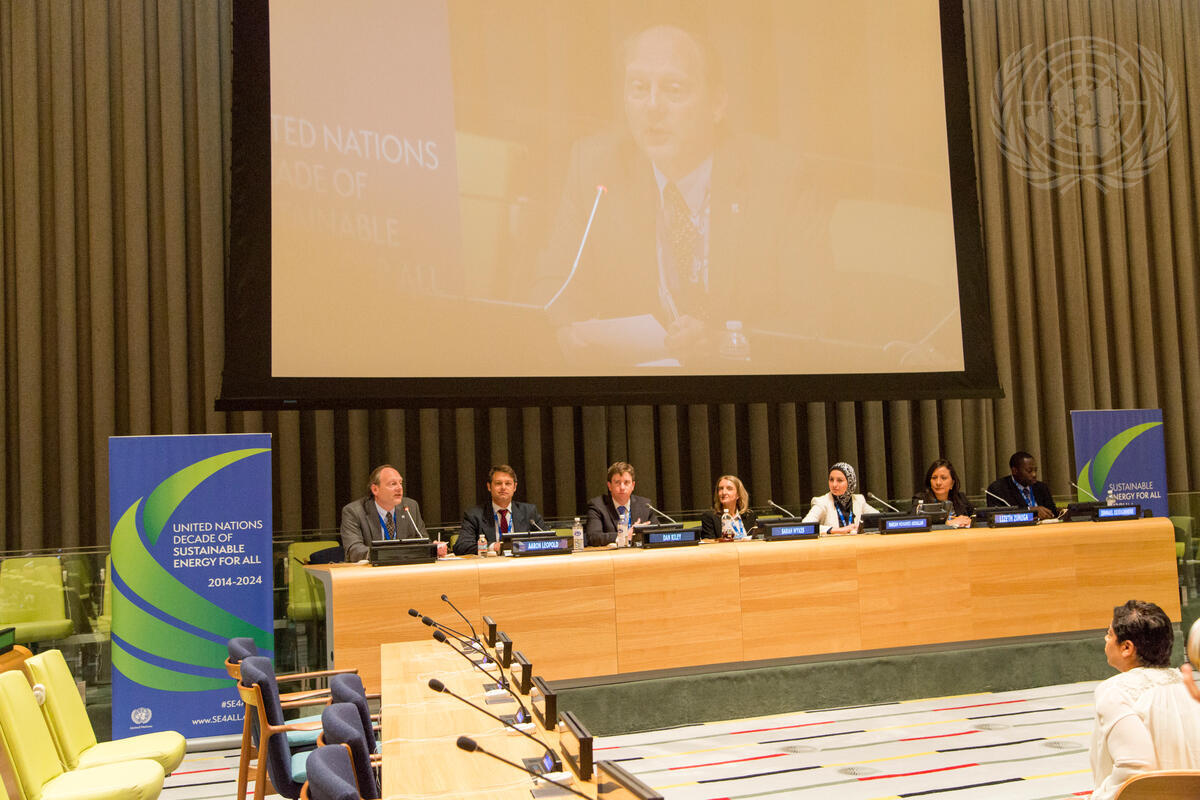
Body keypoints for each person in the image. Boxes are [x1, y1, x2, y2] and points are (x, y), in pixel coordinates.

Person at [537, 24, 824, 369]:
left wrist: (720, 343)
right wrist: (565, 329)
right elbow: (556, 284)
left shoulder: (778, 179)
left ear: (716, 104)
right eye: (638, 88)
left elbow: (812, 319)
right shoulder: (596, 166)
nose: (652, 107)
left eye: (673, 90)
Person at [1089, 600, 1200, 800]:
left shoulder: (1115, 691)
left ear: (1126, 647)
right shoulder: (1188, 687)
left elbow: (1134, 770)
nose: (1106, 639)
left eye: (1109, 634)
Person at [339, 465, 440, 562]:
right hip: (371, 571)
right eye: (393, 484)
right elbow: (354, 550)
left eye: (400, 483)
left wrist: (434, 548)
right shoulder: (354, 512)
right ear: (375, 489)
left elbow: (423, 541)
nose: (399, 488)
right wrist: (389, 554)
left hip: (404, 569)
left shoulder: (410, 507)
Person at [455, 465, 547, 556]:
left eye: (508, 483)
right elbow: (461, 546)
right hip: (491, 564)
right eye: (498, 483)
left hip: (521, 563)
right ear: (489, 487)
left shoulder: (529, 512)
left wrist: (520, 547)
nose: (503, 487)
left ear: (514, 487)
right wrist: (493, 547)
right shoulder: (474, 515)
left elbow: (548, 540)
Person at [585, 461, 662, 547]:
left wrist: (643, 533)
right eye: (617, 482)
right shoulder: (597, 506)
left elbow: (658, 533)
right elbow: (593, 537)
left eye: (626, 482)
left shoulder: (645, 505)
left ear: (633, 485)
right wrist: (625, 535)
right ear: (609, 486)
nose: (622, 487)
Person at [985, 451, 1058, 519]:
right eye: (1029, 471)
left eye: (1035, 470)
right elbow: (997, 517)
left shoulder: (1041, 487)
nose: (1034, 474)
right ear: (1015, 471)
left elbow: (1053, 513)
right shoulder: (998, 489)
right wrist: (1030, 511)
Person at [802, 462, 871, 534]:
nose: (834, 484)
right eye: (831, 480)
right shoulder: (822, 502)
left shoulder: (859, 500)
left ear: (850, 482)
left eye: (839, 480)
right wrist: (838, 530)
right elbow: (806, 526)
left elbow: (877, 518)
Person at [910, 458, 974, 527]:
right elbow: (914, 523)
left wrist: (970, 521)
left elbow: (977, 518)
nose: (938, 483)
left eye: (943, 478)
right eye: (934, 478)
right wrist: (948, 523)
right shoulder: (920, 499)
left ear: (952, 483)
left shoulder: (960, 499)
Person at [699, 475, 757, 539]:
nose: (724, 492)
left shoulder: (750, 515)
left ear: (738, 494)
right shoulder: (709, 517)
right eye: (721, 489)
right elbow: (708, 542)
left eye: (729, 489)